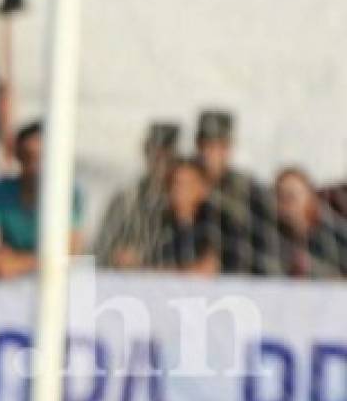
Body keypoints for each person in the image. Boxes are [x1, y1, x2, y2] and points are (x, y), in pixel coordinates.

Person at [0, 120, 82, 278]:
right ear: (18, 157)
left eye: (41, 157)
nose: (34, 165)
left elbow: (70, 250)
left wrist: (17, 263)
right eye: (28, 157)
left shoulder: (68, 195)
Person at [194, 109, 279, 275]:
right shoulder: (184, 182)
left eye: (217, 146)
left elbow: (265, 244)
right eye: (204, 145)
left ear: (228, 148)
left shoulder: (251, 190)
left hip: (242, 276)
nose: (208, 153)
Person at [93, 121, 179, 269]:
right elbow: (101, 250)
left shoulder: (196, 204)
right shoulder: (127, 200)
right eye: (156, 154)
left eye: (167, 156)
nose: (161, 163)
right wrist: (117, 256)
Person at [148, 157, 220, 274]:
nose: (180, 190)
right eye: (176, 183)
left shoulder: (219, 226)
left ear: (204, 189)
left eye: (188, 184)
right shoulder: (154, 225)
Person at [271, 167, 347, 278]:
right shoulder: (272, 234)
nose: (285, 204)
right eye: (280, 197)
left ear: (309, 198)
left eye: (291, 197)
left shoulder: (334, 233)